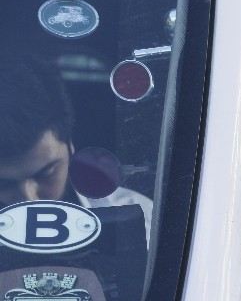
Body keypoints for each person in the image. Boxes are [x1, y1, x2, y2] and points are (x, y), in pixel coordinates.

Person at [0, 56, 152, 237]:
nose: (30, 199)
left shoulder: (135, 215)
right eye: (3, 184)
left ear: (70, 147)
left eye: (47, 173)